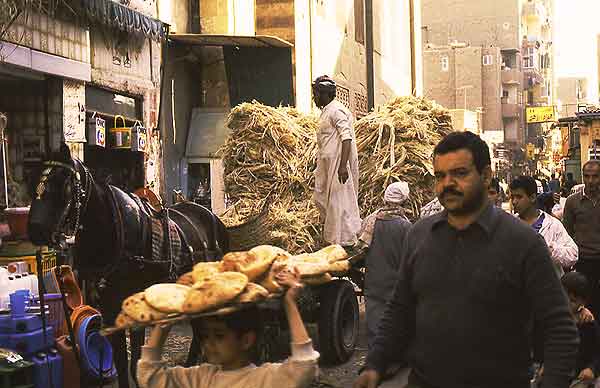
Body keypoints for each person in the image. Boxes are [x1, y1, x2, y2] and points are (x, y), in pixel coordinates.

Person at [354, 131, 578, 388]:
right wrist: (374, 365)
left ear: (485, 176)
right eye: (440, 176)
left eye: (459, 173)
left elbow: (560, 329)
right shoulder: (419, 236)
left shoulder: (523, 243)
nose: (447, 183)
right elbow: (399, 311)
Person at [137, 268, 319, 388]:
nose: (208, 344)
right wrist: (163, 324)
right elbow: (150, 377)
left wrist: (289, 303)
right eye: (205, 336)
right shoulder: (200, 378)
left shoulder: (263, 379)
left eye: (219, 336)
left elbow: (304, 367)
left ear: (246, 340)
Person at [358, 182, 412, 354]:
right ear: (404, 201)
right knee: (395, 321)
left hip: (374, 281)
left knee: (375, 322)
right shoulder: (405, 227)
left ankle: (376, 357)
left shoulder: (370, 222)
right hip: (395, 284)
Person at [312, 75, 361, 246]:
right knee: (321, 197)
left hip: (337, 164)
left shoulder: (337, 110)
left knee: (339, 203)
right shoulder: (326, 111)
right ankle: (333, 238)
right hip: (326, 163)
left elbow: (346, 138)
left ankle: (343, 241)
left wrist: (342, 167)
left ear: (324, 93)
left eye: (316, 93)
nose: (315, 97)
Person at [534, 272, 600, 388]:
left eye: (572, 300)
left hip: (578, 376)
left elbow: (597, 351)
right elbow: (540, 345)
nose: (566, 303)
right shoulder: (550, 318)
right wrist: (544, 364)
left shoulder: (588, 323)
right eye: (563, 297)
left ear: (582, 302)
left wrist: (592, 369)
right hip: (554, 372)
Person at [510, 175, 578, 277]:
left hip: (547, 286)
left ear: (532, 197)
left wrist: (551, 250)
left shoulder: (552, 225)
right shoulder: (510, 225)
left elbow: (572, 255)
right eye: (512, 197)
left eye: (519, 197)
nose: (514, 202)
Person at [563, 160, 600, 317]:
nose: (591, 181)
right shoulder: (572, 202)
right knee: (585, 306)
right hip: (582, 262)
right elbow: (567, 233)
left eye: (595, 176)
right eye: (587, 176)